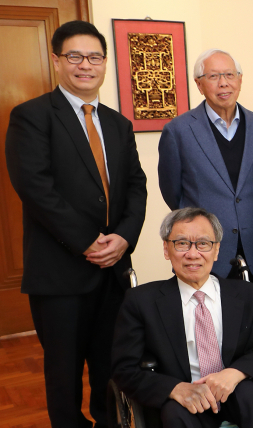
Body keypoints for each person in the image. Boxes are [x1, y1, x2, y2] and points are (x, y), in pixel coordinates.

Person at [4, 20, 147, 428]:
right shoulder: (31, 117)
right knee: (63, 376)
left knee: (112, 365)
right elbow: (36, 189)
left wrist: (123, 237)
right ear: (56, 61)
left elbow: (136, 187)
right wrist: (88, 242)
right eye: (75, 56)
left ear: (105, 62)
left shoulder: (118, 124)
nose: (86, 65)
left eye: (95, 57)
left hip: (113, 272)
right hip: (60, 272)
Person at [111, 207, 253, 428]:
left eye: (203, 244)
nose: (193, 253)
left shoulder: (250, 295)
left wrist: (234, 374)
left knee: (251, 397)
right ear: (166, 249)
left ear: (216, 250)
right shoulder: (141, 302)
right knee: (173, 413)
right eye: (181, 243)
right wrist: (175, 389)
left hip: (234, 387)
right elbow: (124, 370)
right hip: (183, 397)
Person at [158, 49, 253, 334]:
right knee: (214, 337)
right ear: (199, 84)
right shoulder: (177, 131)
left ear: (240, 80)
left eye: (229, 75)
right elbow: (172, 192)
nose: (223, 83)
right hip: (205, 254)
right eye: (213, 76)